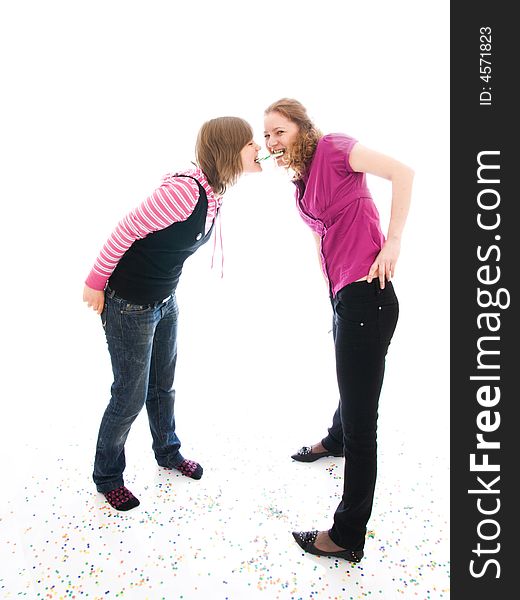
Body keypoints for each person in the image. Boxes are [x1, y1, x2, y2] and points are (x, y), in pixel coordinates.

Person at [83, 117, 261, 511]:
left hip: (164, 301)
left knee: (162, 386)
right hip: (129, 304)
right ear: (231, 149)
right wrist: (95, 282)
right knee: (128, 395)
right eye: (251, 143)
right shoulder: (184, 191)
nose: (259, 147)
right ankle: (108, 476)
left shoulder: (214, 191)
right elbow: (125, 230)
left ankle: (167, 451)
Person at [263, 99, 414, 562]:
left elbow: (402, 172)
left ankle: (347, 536)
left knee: (363, 422)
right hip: (346, 296)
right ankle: (335, 438)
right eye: (266, 135)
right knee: (353, 385)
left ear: (302, 129)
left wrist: (392, 243)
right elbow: (322, 236)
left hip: (369, 296)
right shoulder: (300, 182)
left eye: (279, 132)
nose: (272, 143)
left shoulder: (333, 148)